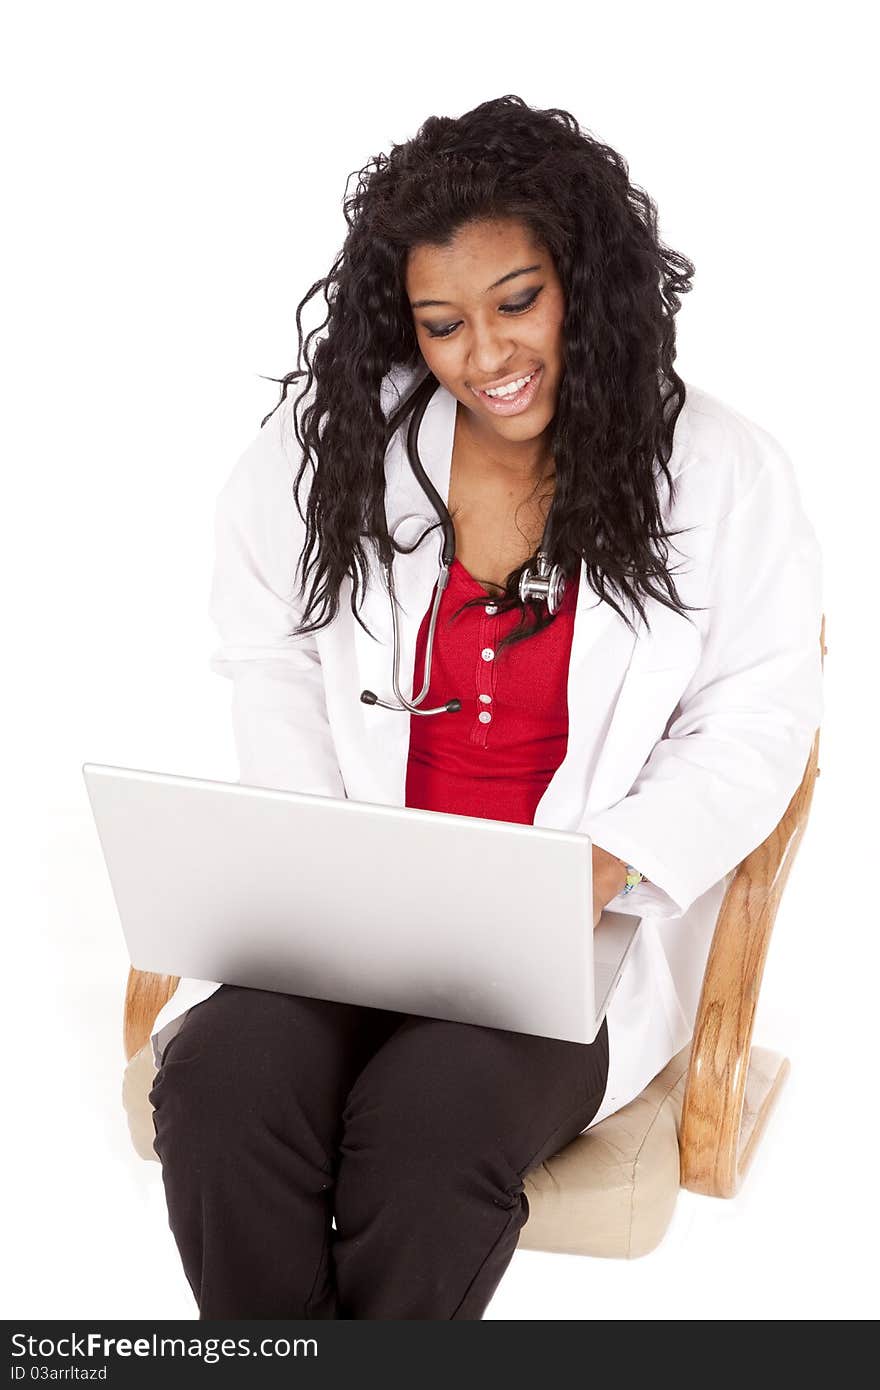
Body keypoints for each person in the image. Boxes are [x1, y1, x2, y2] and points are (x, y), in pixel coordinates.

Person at [146, 94, 824, 1319]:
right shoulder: (330, 449)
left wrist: (607, 862)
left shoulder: (724, 473)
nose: (487, 357)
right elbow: (269, 658)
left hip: (565, 946)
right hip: (344, 916)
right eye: (442, 323)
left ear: (586, 283)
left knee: (429, 1120)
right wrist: (318, 847)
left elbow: (759, 721)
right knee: (218, 1085)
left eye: (518, 302)